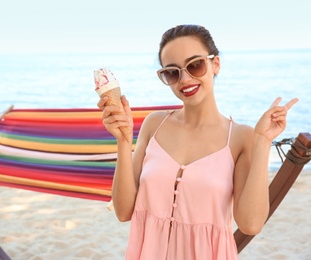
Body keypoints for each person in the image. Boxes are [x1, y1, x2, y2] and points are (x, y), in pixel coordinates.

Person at [97, 24, 298, 260]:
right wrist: (122, 141)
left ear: (216, 64)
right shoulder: (154, 125)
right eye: (172, 72)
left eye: (195, 65)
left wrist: (263, 141)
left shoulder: (241, 137)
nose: (185, 79)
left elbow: (250, 224)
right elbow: (123, 211)